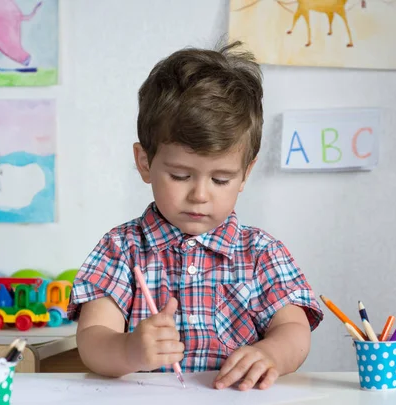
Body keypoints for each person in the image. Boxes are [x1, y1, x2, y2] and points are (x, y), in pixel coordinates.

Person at [67, 41, 323, 391]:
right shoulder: (121, 248)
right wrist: (130, 350)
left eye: (220, 179)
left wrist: (271, 353)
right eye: (180, 176)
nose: (200, 194)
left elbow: (295, 331)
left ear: (245, 174)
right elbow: (93, 340)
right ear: (145, 163)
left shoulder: (261, 252)